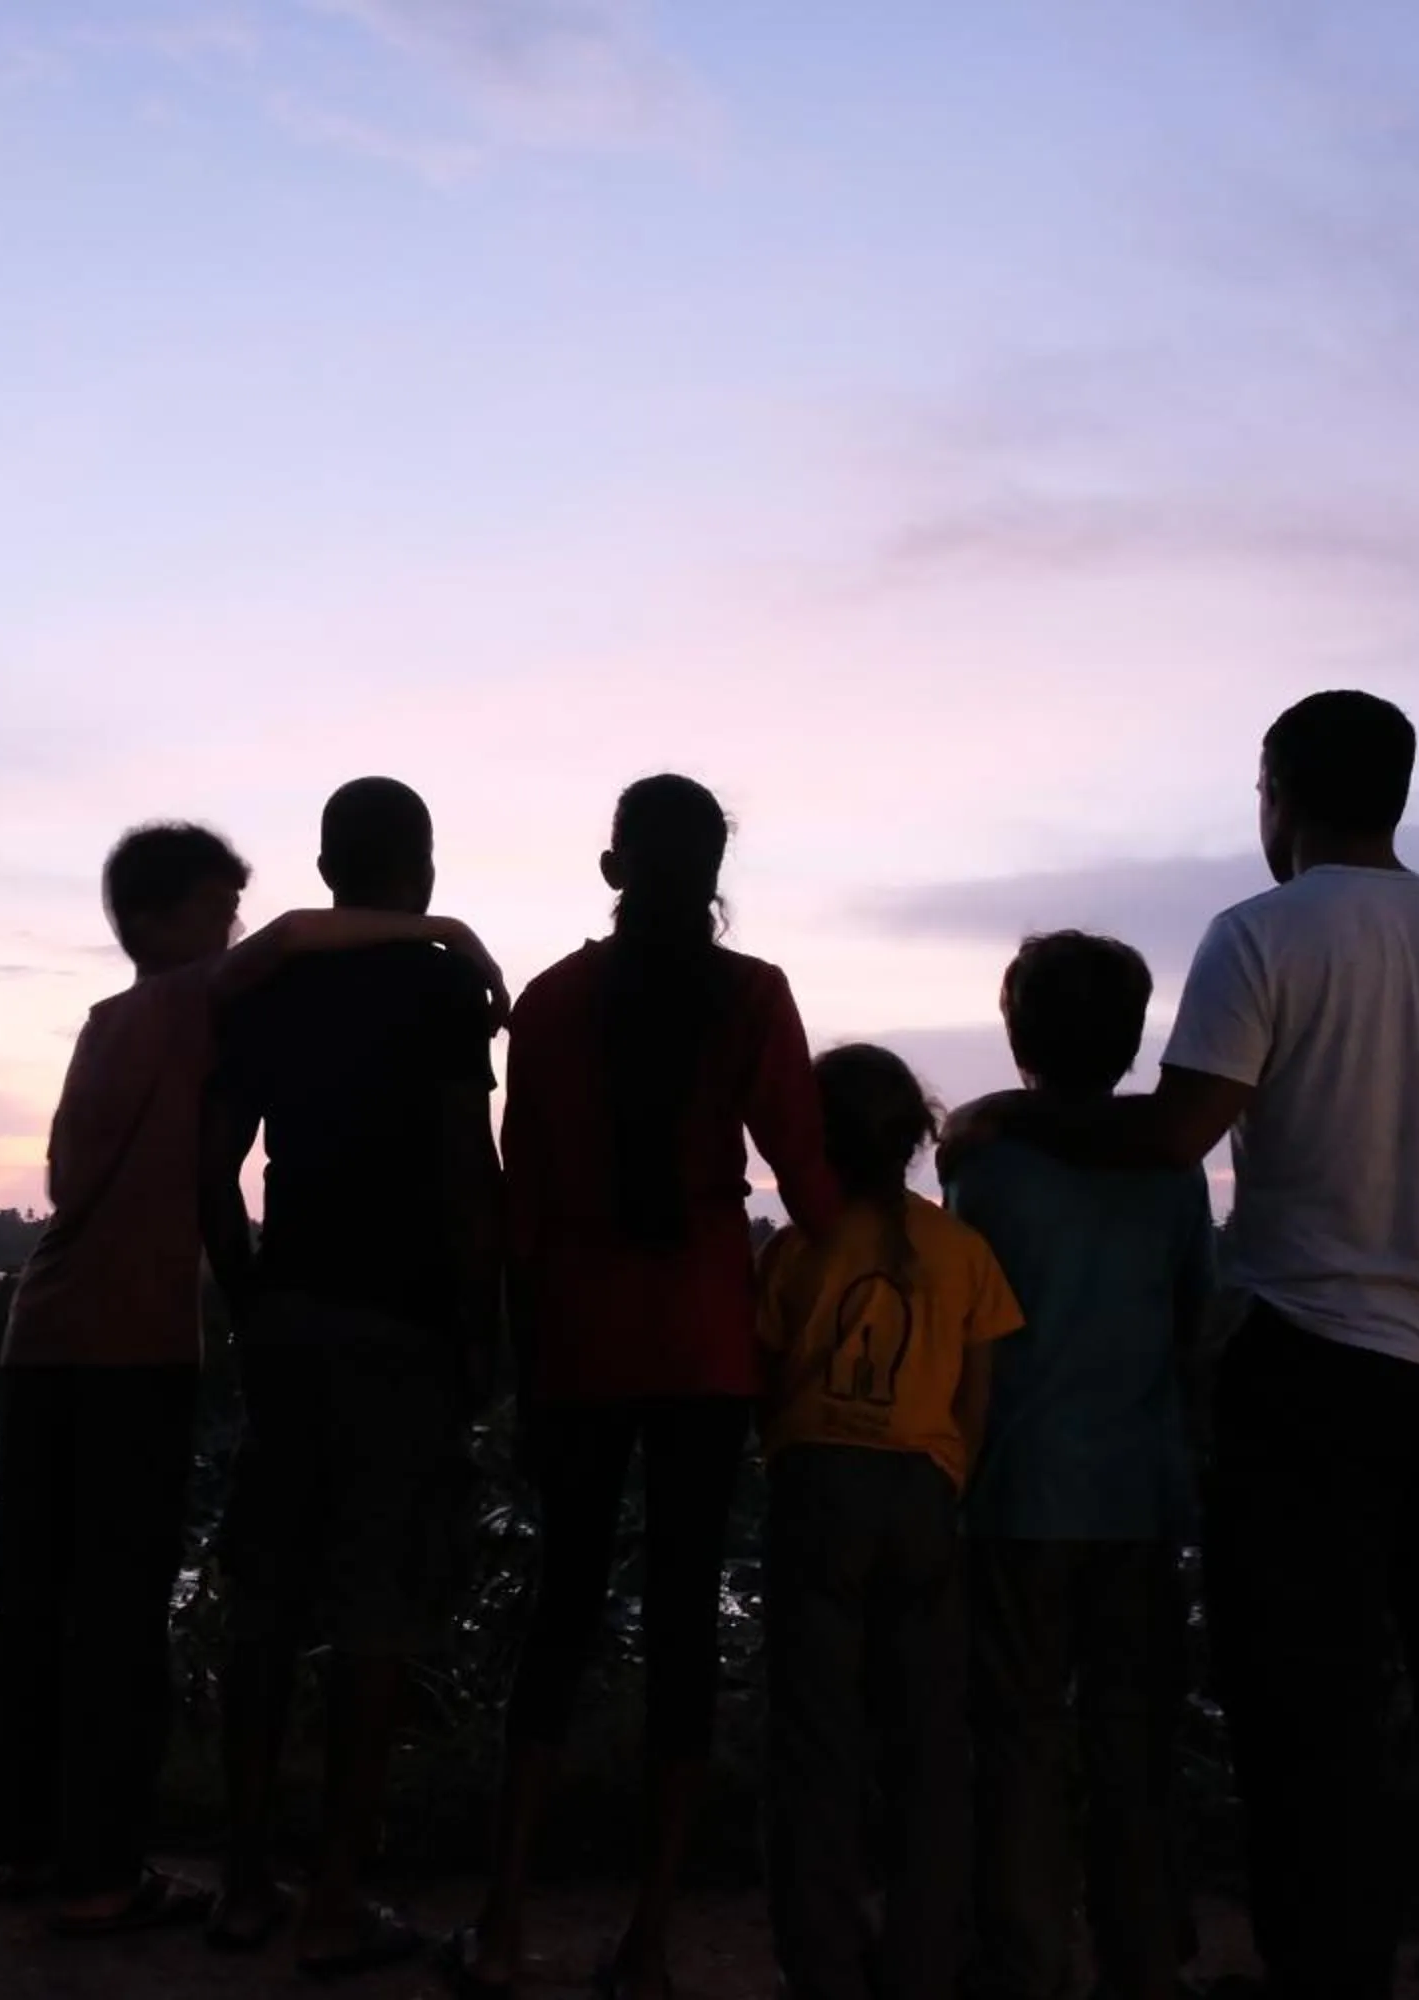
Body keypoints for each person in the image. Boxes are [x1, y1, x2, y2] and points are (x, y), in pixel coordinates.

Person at [944, 691, 1419, 2000]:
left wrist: (1013, 1117)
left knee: (1312, 1710)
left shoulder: (1264, 936)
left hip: (1317, 1372)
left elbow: (1176, 1136)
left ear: (1278, 794)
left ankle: (1329, 1965)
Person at [0, 819, 508, 1938]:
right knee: (121, 1613)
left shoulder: (108, 1023)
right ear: (169, 920)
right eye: (217, 909)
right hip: (127, 1346)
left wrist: (258, 1300)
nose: (233, 927)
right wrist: (450, 929)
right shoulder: (188, 999)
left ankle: (26, 1848)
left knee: (37, 1604)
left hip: (40, 1337)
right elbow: (300, 932)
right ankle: (100, 1876)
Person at [442, 775, 839, 2000]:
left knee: (558, 1615)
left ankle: (504, 1923)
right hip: (709, 1349)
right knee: (681, 1624)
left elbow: (519, 1209)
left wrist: (519, 1363)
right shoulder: (755, 995)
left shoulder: (552, 1006)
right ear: (716, 870)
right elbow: (814, 1193)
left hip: (578, 1346)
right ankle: (651, 1941)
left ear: (612, 869)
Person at [200, 776, 506, 1978]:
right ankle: (333, 1893)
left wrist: (250, 1300)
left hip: (295, 1324)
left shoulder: (270, 983)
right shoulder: (437, 985)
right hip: (403, 1332)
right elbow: (466, 1176)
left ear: (327, 867)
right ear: (421, 867)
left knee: (266, 1600)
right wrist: (484, 1335)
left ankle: (240, 1881)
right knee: (378, 1615)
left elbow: (210, 1168)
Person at [947, 933, 1214, 2000]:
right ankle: (1145, 1961)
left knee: (1016, 1739)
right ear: (1134, 1036)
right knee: (1135, 1741)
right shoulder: (1172, 1166)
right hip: (1141, 1495)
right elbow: (1194, 1320)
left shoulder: (986, 1166)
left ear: (1017, 1031)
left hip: (1015, 1493)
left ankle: (1024, 1962)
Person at [756, 1044, 1023, 2000]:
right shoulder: (962, 1251)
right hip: (923, 1492)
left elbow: (770, 1375)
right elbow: (977, 1398)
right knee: (927, 1747)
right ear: (915, 1139)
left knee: (817, 1744)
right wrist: (948, 1481)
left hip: (818, 1486)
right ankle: (922, 1961)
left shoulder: (797, 1248)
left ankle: (824, 1964)